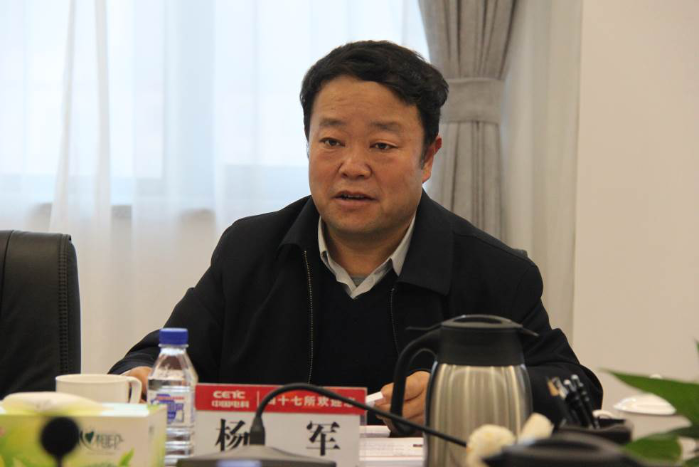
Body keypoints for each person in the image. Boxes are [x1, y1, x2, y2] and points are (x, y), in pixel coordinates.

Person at [110, 40, 602, 427]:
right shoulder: (251, 250)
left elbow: (576, 390)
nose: (352, 166)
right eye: (331, 140)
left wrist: (465, 395)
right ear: (308, 145)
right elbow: (155, 358)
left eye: (381, 145)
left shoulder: (493, 272)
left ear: (428, 157)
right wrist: (140, 377)